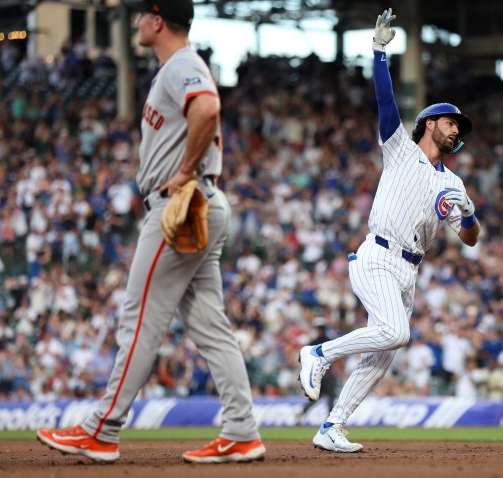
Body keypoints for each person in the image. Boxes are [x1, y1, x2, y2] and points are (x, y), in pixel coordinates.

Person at [37, 0, 265, 464]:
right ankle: (242, 430)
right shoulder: (177, 67)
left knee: (139, 317)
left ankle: (102, 428)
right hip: (203, 200)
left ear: (157, 21)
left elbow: (207, 107)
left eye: (141, 14)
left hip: (182, 203)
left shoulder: (181, 65)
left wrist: (183, 172)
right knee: (209, 326)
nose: (137, 21)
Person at [298, 8, 480, 453]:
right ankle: (318, 353)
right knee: (396, 333)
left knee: (382, 353)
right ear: (430, 123)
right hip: (378, 254)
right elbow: (385, 103)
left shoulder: (452, 183)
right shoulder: (399, 148)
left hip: (409, 270)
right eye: (451, 122)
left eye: (459, 126)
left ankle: (332, 427)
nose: (456, 130)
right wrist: (379, 52)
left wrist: (471, 213)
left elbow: (470, 239)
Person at [298, 317, 337, 424]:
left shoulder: (312, 343)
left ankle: (302, 411)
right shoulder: (330, 341)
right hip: (327, 372)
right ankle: (330, 420)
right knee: (331, 396)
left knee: (318, 396)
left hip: (316, 373)